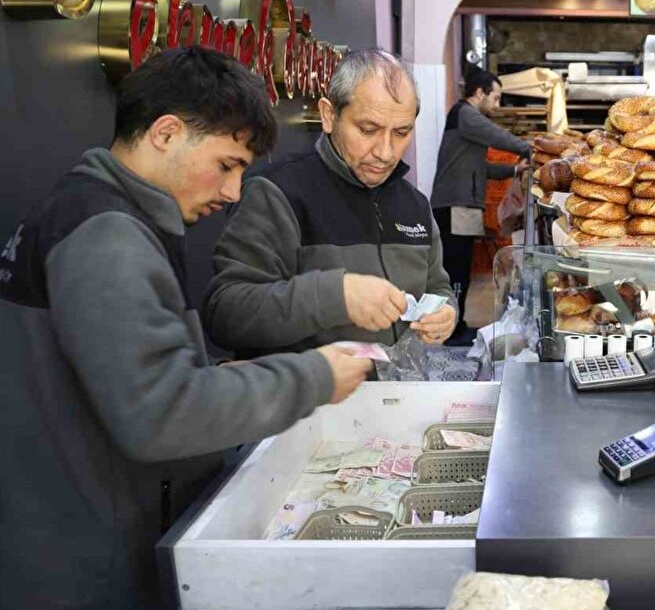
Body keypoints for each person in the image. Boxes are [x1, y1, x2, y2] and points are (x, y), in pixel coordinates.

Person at [0, 47, 373, 608]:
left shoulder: (87, 209)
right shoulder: (107, 236)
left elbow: (109, 373)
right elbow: (161, 413)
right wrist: (314, 376)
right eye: (227, 165)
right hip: (83, 561)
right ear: (167, 132)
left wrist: (222, 372)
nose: (231, 193)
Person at [203, 49, 458, 357]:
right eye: (368, 130)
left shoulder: (415, 203)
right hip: (310, 400)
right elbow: (227, 313)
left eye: (402, 133)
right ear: (328, 115)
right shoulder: (277, 193)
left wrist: (446, 314)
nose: (386, 152)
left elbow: (438, 289)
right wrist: (334, 297)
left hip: (398, 397)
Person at [431, 69, 529, 345]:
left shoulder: (465, 121)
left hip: (462, 205)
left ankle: (456, 325)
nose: (497, 105)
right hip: (456, 205)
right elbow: (495, 134)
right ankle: (452, 331)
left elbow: (480, 168)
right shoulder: (466, 114)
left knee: (460, 268)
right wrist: (527, 148)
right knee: (457, 270)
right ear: (479, 93)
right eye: (495, 98)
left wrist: (513, 168)